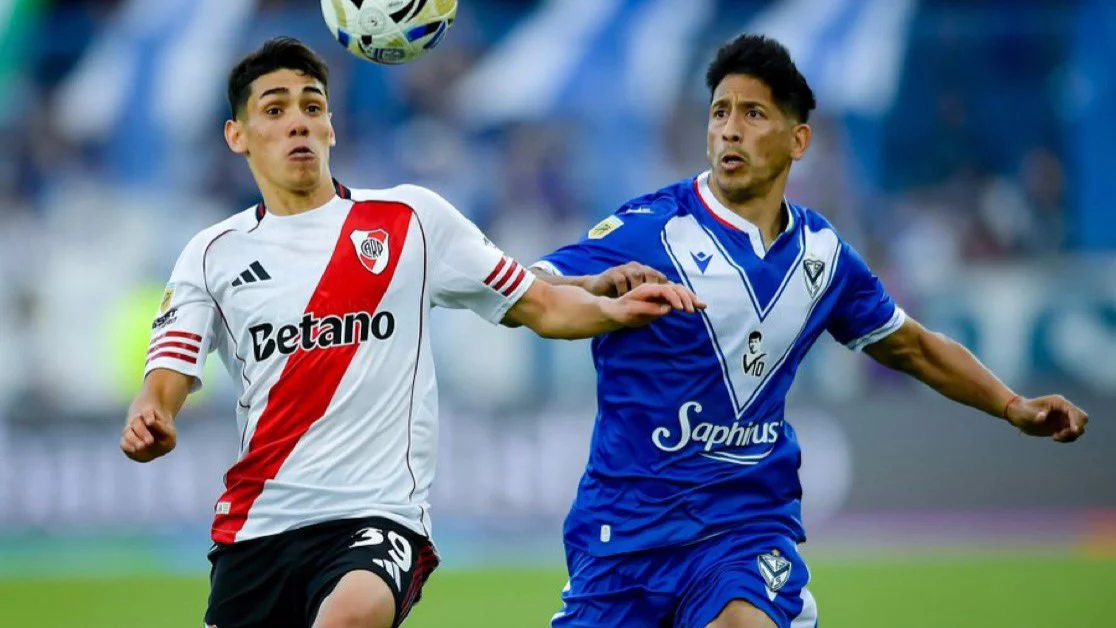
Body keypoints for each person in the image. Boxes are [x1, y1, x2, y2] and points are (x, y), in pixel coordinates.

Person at [118, 37, 702, 628]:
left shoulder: (411, 221)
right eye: (275, 109)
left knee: (352, 615)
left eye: (312, 106)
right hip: (258, 526)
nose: (298, 122)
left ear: (332, 128)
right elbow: (167, 375)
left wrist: (612, 309)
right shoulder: (211, 254)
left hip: (377, 516)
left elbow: (541, 305)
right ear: (237, 136)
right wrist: (152, 416)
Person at [532, 34, 1089, 628]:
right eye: (720, 112)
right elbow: (531, 289)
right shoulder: (650, 228)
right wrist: (593, 287)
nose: (730, 129)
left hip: (740, 529)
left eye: (753, 113)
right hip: (624, 535)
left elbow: (912, 347)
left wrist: (1012, 406)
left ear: (799, 140)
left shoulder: (823, 256)